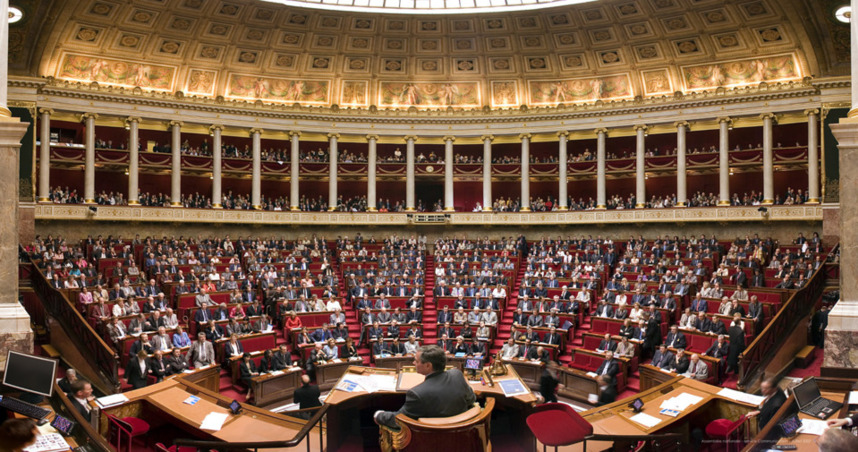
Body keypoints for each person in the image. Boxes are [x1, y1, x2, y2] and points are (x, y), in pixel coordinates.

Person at [374, 345, 476, 430]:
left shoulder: (417, 394)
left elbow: (400, 420)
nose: (413, 363)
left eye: (416, 361)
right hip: (463, 433)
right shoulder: (457, 375)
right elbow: (472, 399)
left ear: (428, 365)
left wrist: (379, 415)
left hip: (431, 438)